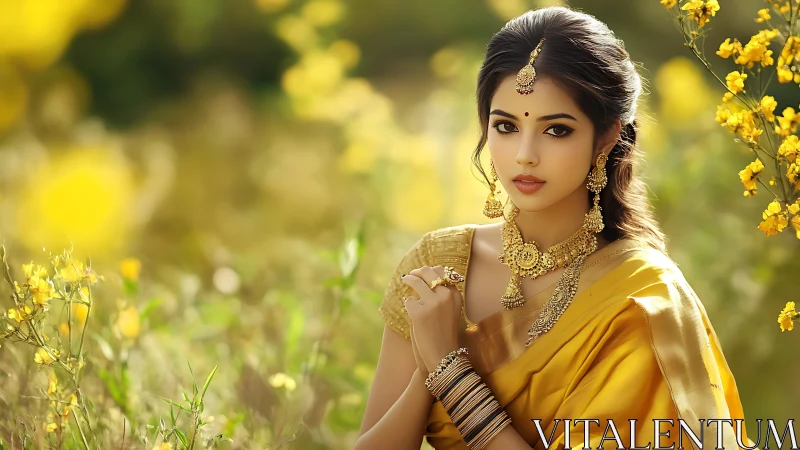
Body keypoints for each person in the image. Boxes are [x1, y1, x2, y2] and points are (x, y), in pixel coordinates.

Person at [355, 6, 757, 450]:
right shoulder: (437, 266)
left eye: (557, 130)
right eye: (506, 126)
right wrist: (428, 372)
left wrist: (449, 369)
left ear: (606, 137)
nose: (525, 154)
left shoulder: (641, 298)